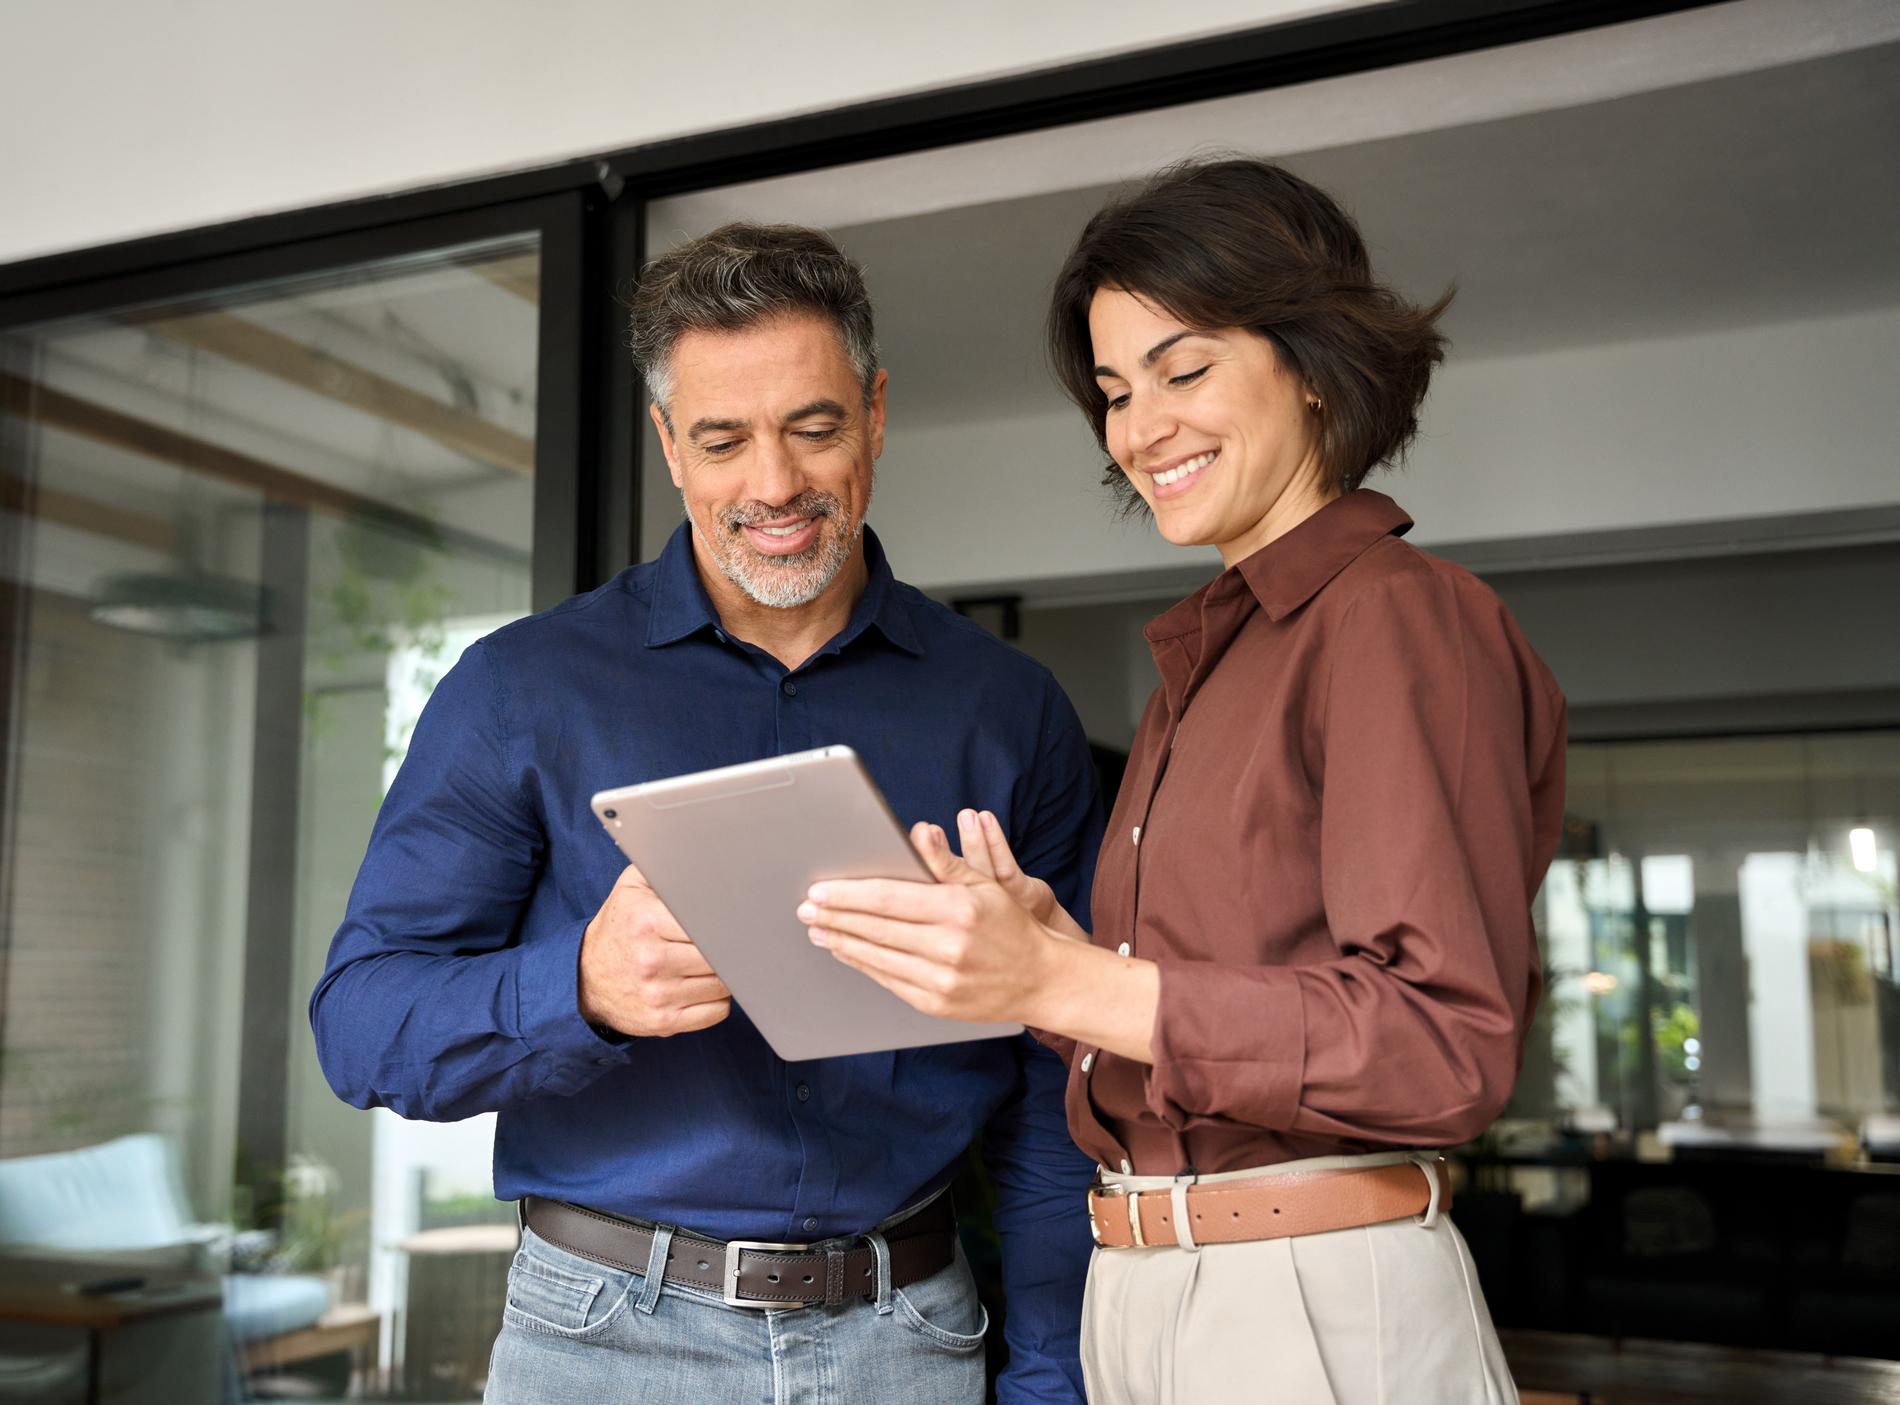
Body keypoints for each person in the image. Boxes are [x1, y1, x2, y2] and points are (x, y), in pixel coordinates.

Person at [798, 159, 1568, 1405]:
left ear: (1313, 362)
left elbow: (1442, 1040)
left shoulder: (1391, 617)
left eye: (1183, 368)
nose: (1138, 426)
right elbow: (1194, 1009)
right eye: (1112, 390)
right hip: (1151, 1279)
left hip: (1304, 1289)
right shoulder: (1206, 662)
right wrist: (1044, 962)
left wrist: (1074, 978)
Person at [310, 223, 1103, 1404]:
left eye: (814, 428)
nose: (773, 485)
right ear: (668, 445)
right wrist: (575, 986)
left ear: (876, 415)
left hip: (912, 1340)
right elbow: (359, 1025)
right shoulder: (521, 689)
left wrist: (1049, 1377)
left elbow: (1058, 1082)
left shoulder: (1006, 708)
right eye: (723, 440)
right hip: (598, 1342)